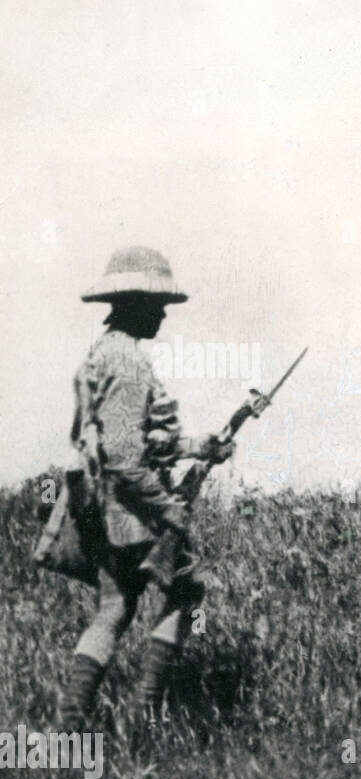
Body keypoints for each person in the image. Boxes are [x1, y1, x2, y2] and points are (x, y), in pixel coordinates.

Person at [59, 246, 234, 734]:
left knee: (115, 607)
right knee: (188, 594)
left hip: (100, 505)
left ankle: (70, 726)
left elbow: (126, 440)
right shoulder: (130, 363)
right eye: (155, 304)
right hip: (134, 506)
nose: (161, 314)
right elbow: (125, 458)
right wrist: (169, 512)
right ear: (134, 302)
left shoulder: (101, 355)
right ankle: (142, 713)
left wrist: (197, 446)